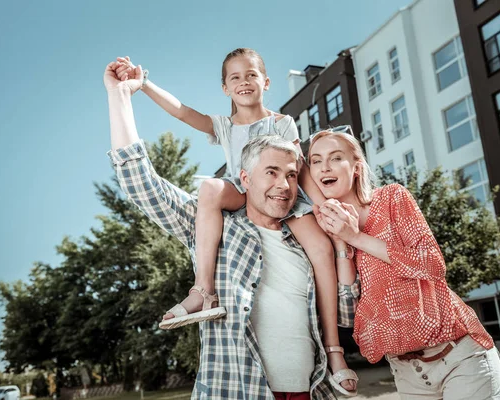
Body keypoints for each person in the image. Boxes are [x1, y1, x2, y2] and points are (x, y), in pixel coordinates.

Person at [103, 60, 359, 399]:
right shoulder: (214, 229)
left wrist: (342, 241)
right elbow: (141, 183)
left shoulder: (305, 239)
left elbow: (347, 313)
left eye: (290, 175)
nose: (283, 185)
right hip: (235, 390)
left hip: (308, 391)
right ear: (245, 178)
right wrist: (121, 96)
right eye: (270, 173)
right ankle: (202, 291)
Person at [308, 130, 500, 400]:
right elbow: (348, 315)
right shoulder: (326, 233)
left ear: (355, 168)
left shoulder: (391, 199)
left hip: (460, 355)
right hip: (406, 372)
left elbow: (432, 265)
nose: (325, 167)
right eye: (316, 161)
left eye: (335, 158)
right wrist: (342, 244)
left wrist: (355, 237)